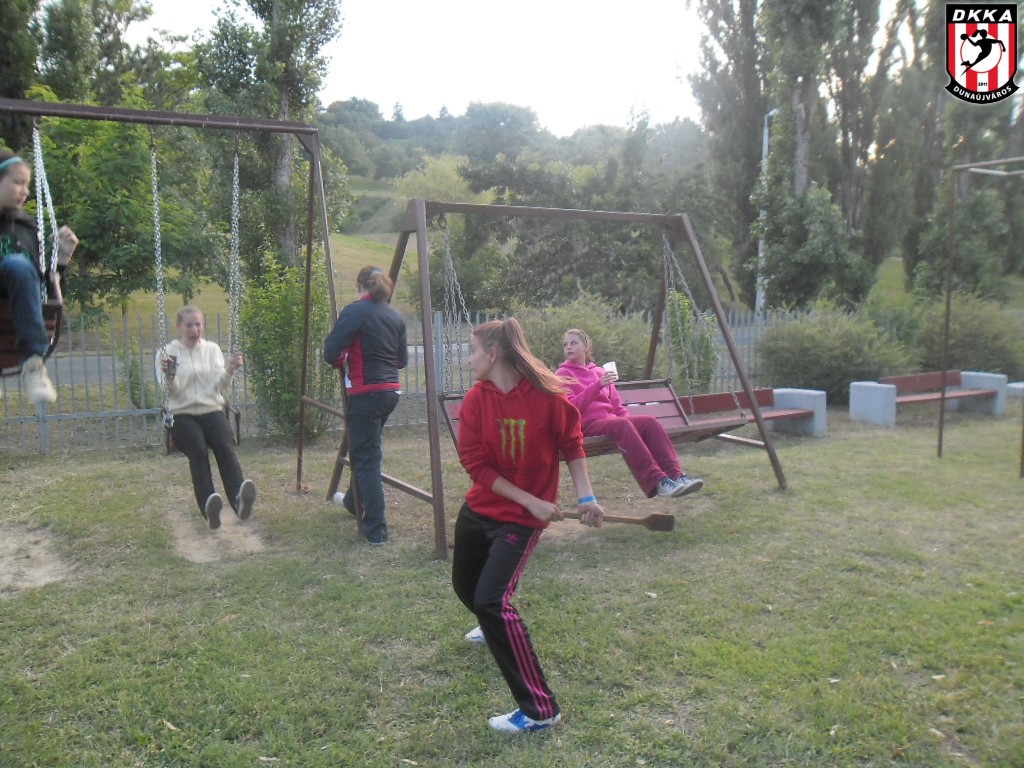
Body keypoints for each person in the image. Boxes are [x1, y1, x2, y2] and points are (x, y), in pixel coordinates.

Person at [452, 318, 605, 734]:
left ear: (493, 354)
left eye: (473, 350)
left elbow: (572, 443)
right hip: (480, 510)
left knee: (490, 601)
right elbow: (475, 465)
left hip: (519, 523)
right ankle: (495, 627)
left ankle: (541, 710)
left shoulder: (547, 398)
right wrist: (530, 498)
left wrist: (586, 498)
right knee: (467, 590)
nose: (469, 358)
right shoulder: (475, 400)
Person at [555, 327, 704, 499]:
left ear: (586, 347)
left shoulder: (600, 372)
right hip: (585, 425)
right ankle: (658, 481)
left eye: (573, 343)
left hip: (611, 422)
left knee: (649, 422)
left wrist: (632, 426)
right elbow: (571, 408)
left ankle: (676, 476)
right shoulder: (562, 375)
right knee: (622, 424)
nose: (568, 347)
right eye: (565, 344)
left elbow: (617, 407)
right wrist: (597, 386)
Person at [323, 266, 408, 546]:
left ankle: (376, 529)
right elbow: (401, 360)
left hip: (365, 393)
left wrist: (345, 359)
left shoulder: (355, 311)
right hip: (390, 392)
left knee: (367, 458)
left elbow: (331, 352)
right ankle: (352, 501)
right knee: (364, 450)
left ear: (360, 286)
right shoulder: (395, 316)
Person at [156, 306, 256, 530]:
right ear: (179, 327)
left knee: (224, 445)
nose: (194, 330)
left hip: (211, 409)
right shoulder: (167, 352)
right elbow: (172, 393)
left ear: (203, 325)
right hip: (181, 413)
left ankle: (239, 500)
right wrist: (170, 376)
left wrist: (230, 369)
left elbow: (220, 386)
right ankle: (209, 506)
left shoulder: (212, 350)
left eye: (198, 324)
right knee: (198, 450)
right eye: (189, 325)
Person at [0, 150, 78, 403]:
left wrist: (61, 260)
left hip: (11, 315)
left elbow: (44, 290)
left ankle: (34, 365)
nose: (25, 191)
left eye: (28, 185)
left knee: (18, 265)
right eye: (18, 182)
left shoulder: (28, 230)